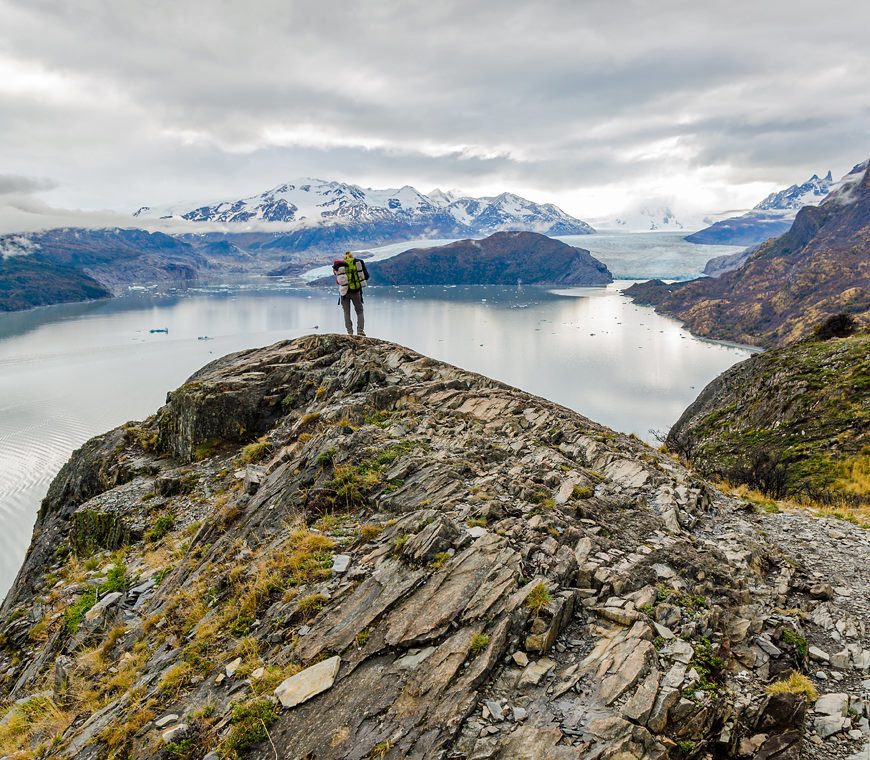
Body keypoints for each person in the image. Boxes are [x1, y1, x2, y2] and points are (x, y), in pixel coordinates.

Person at [332, 250, 369, 336]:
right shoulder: (357, 263)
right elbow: (366, 276)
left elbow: (338, 281)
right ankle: (360, 331)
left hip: (344, 292)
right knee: (359, 311)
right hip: (356, 291)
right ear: (352, 256)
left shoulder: (340, 266)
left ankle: (350, 333)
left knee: (346, 312)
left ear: (344, 257)